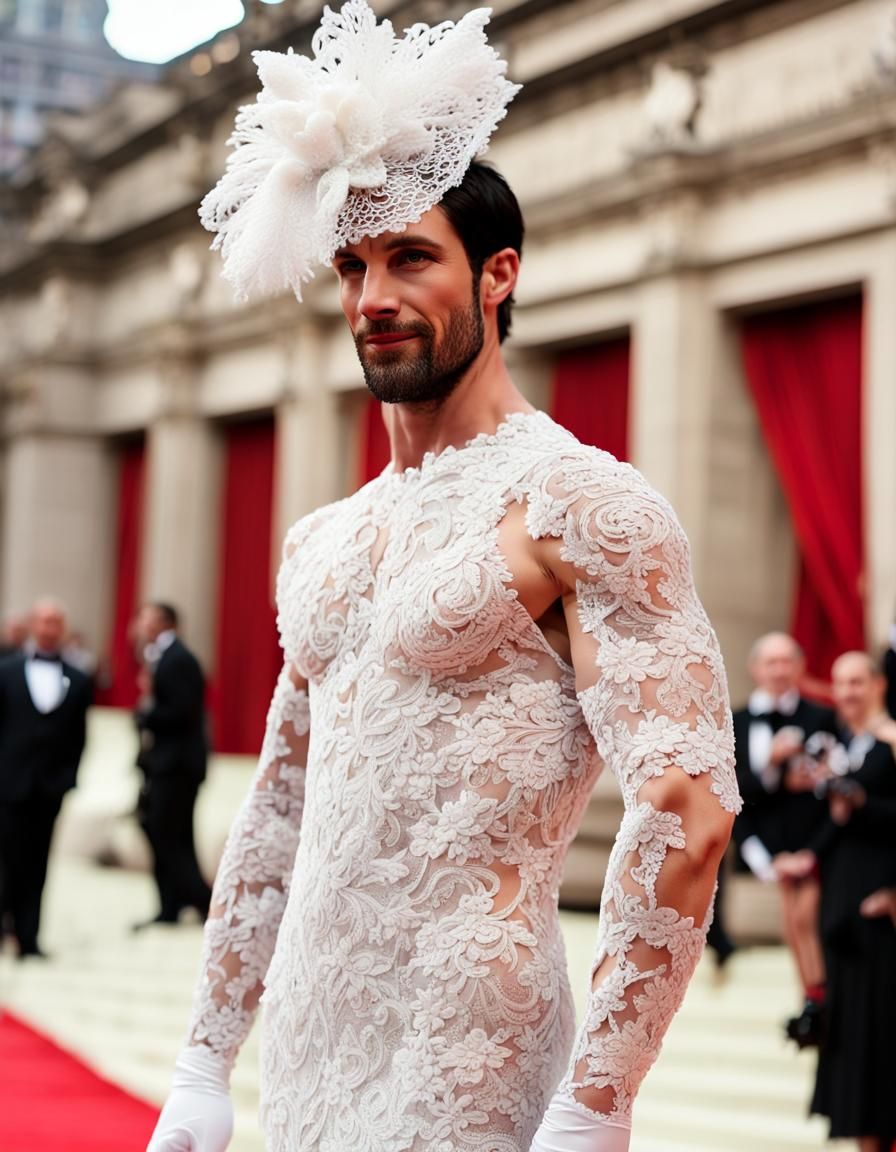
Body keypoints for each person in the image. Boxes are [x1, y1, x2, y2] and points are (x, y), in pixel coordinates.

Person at [147, 5, 739, 1151]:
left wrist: (597, 1098)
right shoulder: (318, 537)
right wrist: (202, 1058)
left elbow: (687, 810)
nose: (373, 298)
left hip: (472, 1052)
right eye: (353, 265)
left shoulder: (582, 504)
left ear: (496, 275)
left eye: (411, 256)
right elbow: (278, 802)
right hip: (308, 1049)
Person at [776, 652, 896, 1152]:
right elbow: (837, 821)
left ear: (878, 685)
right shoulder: (841, 743)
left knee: (882, 1029)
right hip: (841, 900)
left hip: (880, 903)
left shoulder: (892, 737)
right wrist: (803, 858)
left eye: (856, 681)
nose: (847, 692)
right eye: (840, 682)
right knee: (853, 1035)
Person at [731, 632, 835, 1044]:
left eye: (785, 661)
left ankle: (817, 998)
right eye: (769, 662)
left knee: (805, 917)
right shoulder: (738, 721)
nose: (777, 670)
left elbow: (826, 784)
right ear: (755, 669)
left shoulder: (820, 718)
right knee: (794, 917)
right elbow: (734, 794)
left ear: (799, 666)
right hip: (769, 844)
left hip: (815, 840)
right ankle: (812, 999)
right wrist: (772, 767)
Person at [0, 598, 92, 957]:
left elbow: (79, 736)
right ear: (32, 626)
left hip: (48, 787)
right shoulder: (6, 672)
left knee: (38, 863)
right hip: (9, 782)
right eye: (43, 621)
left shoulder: (79, 679)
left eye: (56, 622)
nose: (49, 629)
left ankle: (29, 937)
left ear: (63, 629)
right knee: (7, 859)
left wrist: (67, 778)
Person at [133, 602, 211, 928]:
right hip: (165, 765)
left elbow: (183, 712)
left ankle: (203, 903)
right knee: (161, 831)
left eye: (145, 618)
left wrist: (144, 713)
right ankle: (170, 906)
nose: (139, 624)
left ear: (163, 623)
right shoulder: (161, 656)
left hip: (177, 766)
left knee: (170, 835)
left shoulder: (179, 659)